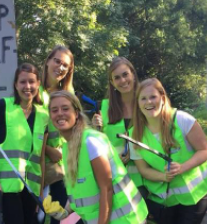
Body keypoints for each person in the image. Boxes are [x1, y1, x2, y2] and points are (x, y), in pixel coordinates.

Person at [48, 90, 148, 224]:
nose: (60, 113)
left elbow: (106, 189)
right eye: (54, 110)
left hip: (124, 219)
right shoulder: (67, 148)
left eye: (65, 108)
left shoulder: (91, 142)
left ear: (76, 113)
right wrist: (65, 212)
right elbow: (78, 191)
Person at [129, 78, 207, 224]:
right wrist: (163, 176)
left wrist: (182, 167)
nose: (148, 102)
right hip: (165, 201)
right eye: (143, 98)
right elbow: (143, 170)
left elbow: (205, 151)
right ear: (137, 103)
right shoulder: (134, 134)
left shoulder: (181, 120)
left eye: (153, 97)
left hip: (196, 194)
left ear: (162, 98)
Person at [0, 63, 48, 224]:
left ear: (38, 83)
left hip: (31, 187)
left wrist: (39, 193)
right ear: (16, 85)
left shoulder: (43, 116)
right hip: (7, 186)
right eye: (23, 82)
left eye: (32, 81)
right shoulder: (3, 107)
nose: (27, 86)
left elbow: (40, 158)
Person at [91, 57, 145, 196]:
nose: (122, 80)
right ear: (112, 82)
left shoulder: (146, 102)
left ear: (133, 74)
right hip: (116, 179)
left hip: (148, 179)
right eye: (117, 77)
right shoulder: (103, 108)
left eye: (125, 74)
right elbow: (96, 147)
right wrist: (94, 129)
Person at [39, 45, 76, 224]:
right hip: (35, 166)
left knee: (62, 218)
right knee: (35, 217)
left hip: (62, 170)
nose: (60, 67)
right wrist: (48, 149)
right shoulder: (33, 91)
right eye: (57, 61)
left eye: (65, 65)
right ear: (47, 61)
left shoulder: (68, 94)